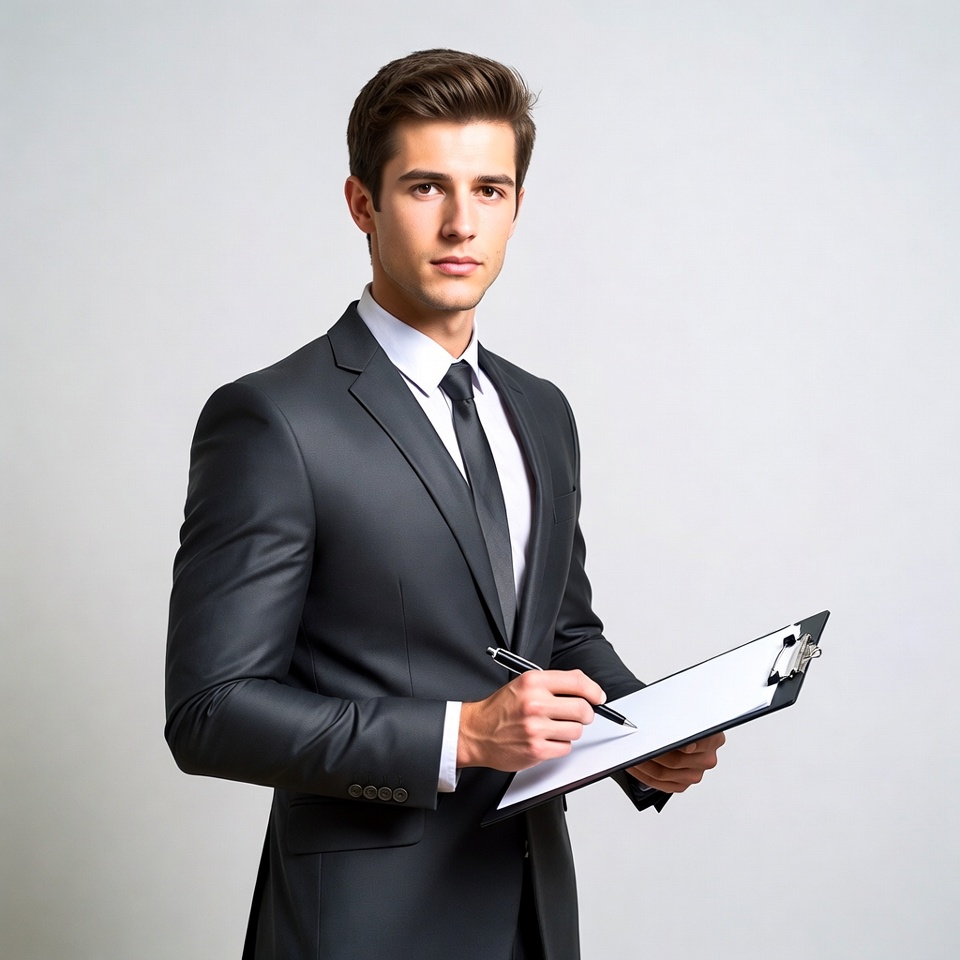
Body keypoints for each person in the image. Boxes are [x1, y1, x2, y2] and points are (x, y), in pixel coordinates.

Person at [165, 48, 724, 960]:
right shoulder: (274, 420)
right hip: (361, 926)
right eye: (426, 187)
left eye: (489, 190)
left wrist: (644, 731)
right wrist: (461, 735)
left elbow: (558, 633)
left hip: (532, 910)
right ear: (363, 204)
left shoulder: (541, 410)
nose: (462, 223)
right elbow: (211, 711)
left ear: (516, 207)